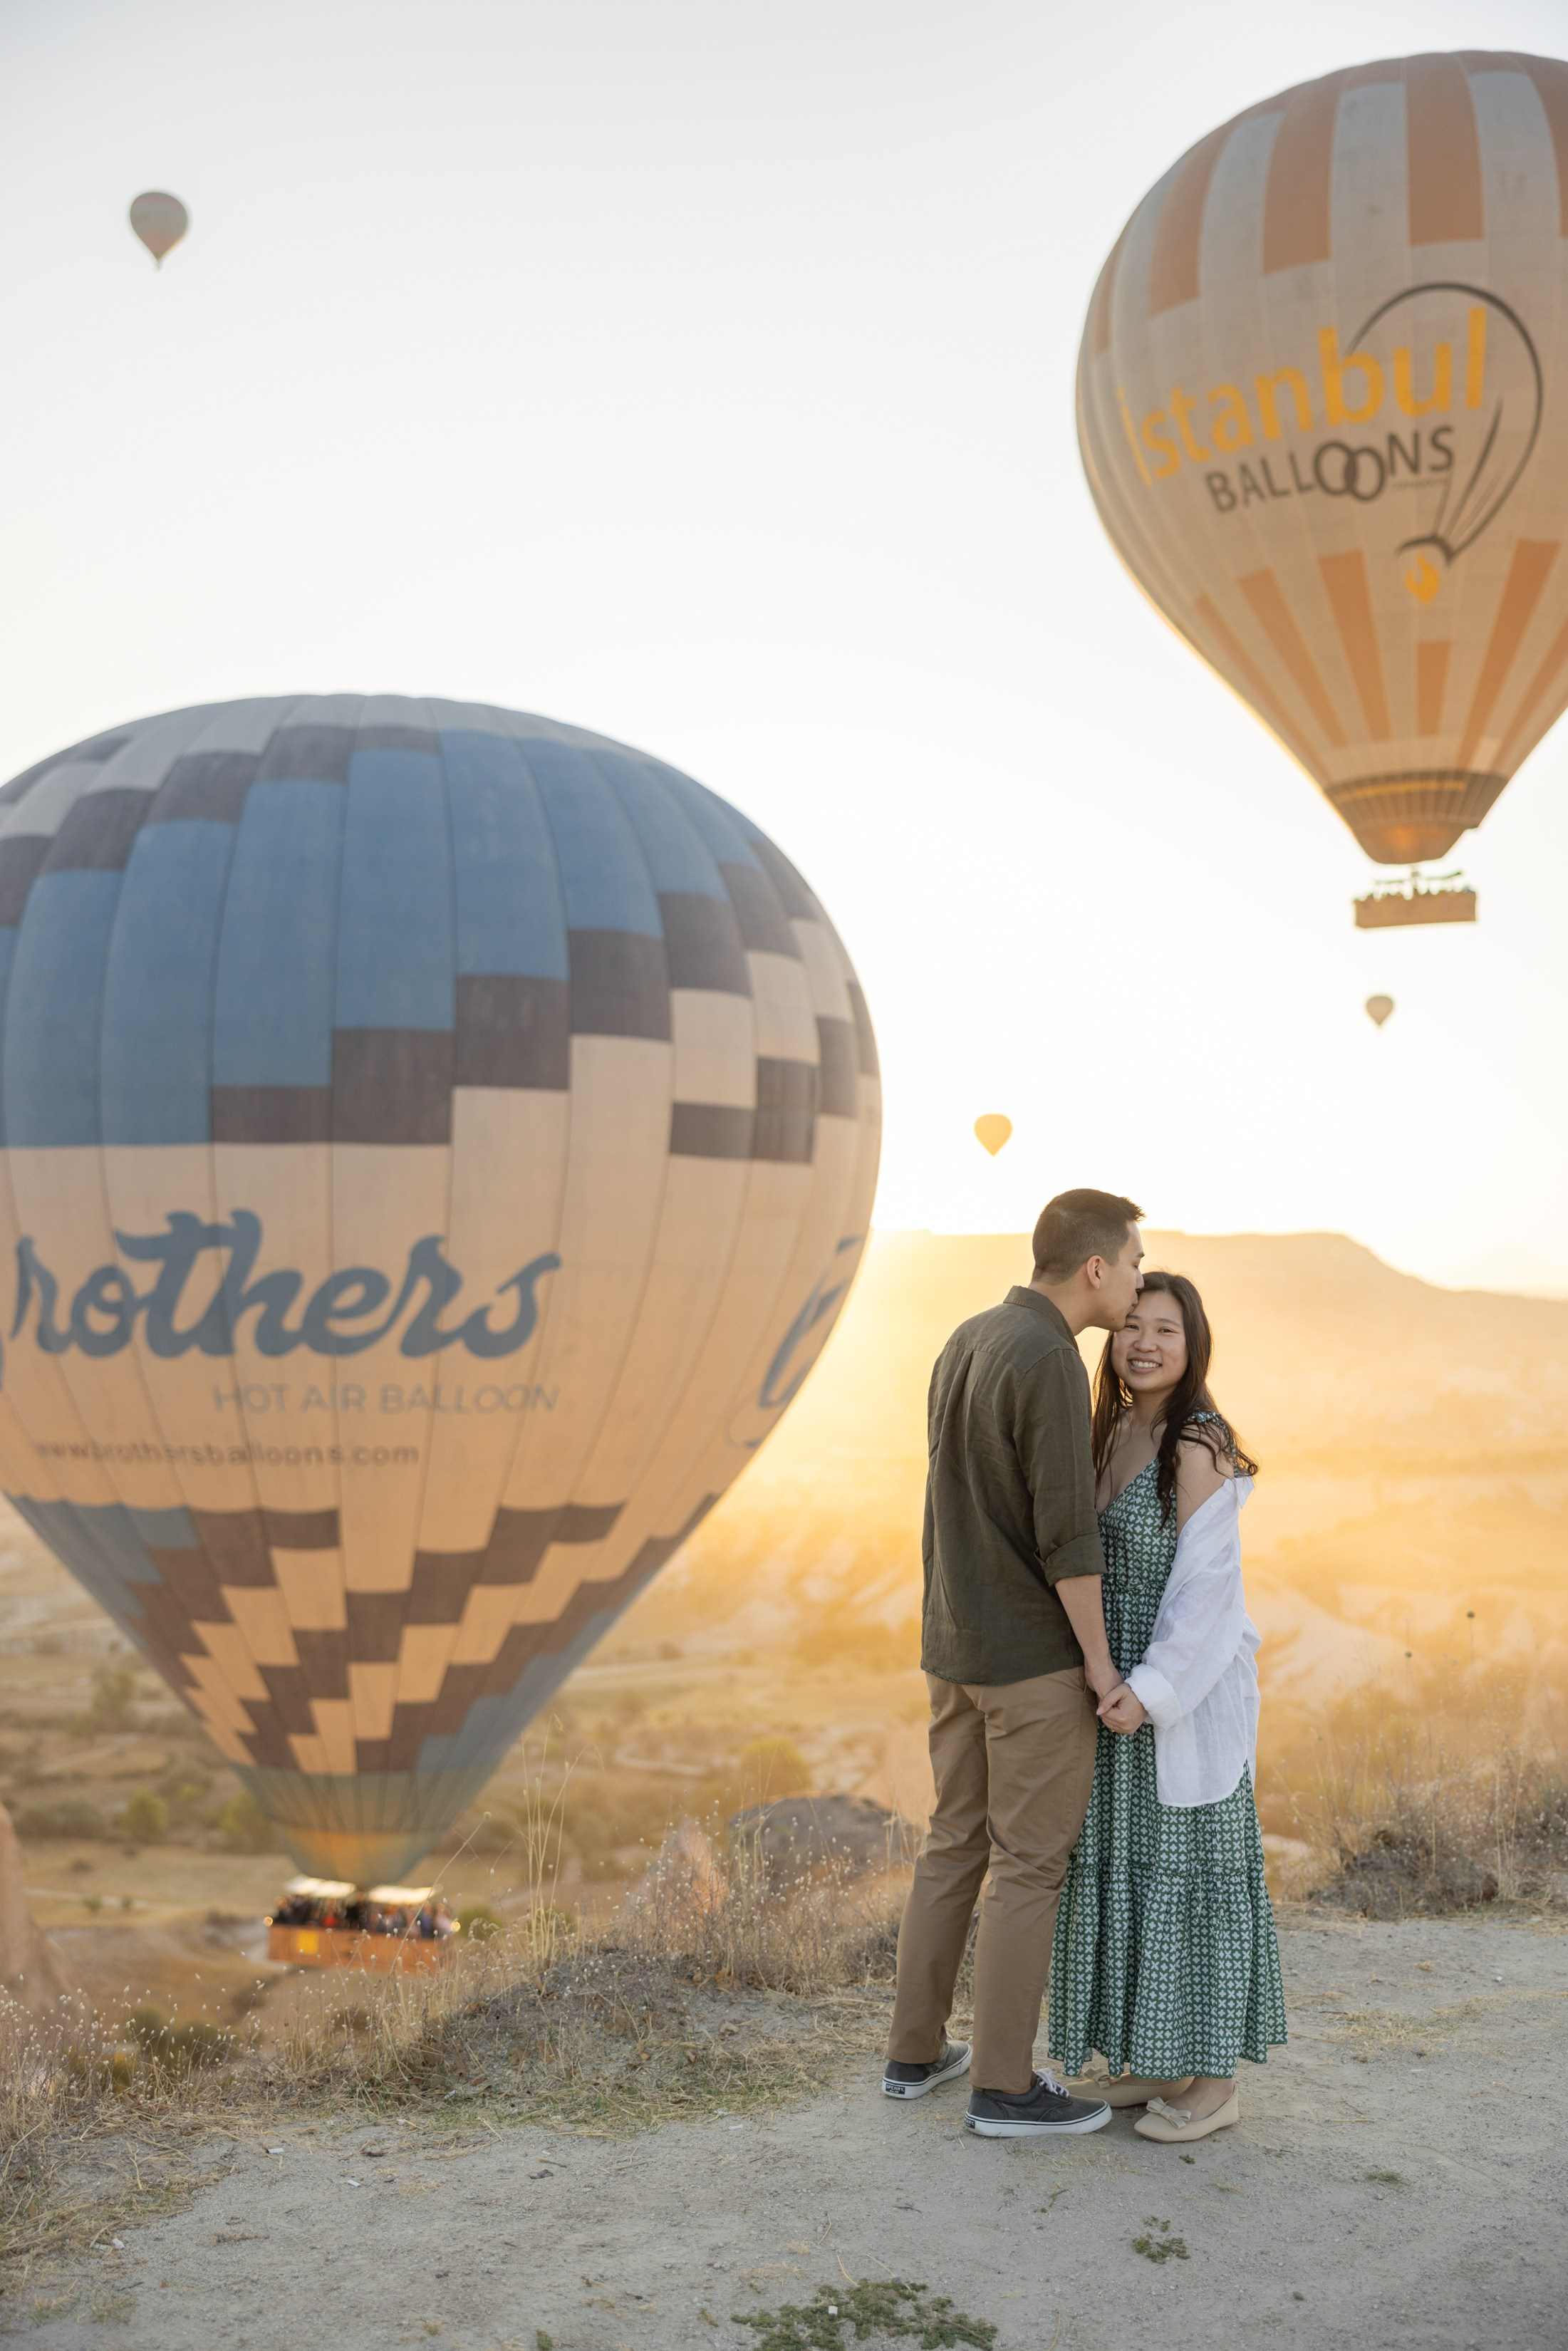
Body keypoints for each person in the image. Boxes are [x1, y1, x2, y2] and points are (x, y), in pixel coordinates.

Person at [881, 1188, 1146, 2138]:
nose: (1139, 1282)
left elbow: (947, 1502)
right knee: (1029, 1868)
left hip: (953, 1646)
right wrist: (1102, 1669)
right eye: (1134, 1264)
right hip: (1028, 1661)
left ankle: (913, 2055)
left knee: (953, 1842)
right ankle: (1002, 2087)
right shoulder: (1046, 1358)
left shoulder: (968, 1337)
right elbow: (1066, 1538)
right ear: (1094, 1268)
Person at [1047, 1272, 1287, 2144]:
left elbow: (1208, 1596)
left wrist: (1146, 1692)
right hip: (1112, 1696)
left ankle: (1214, 2085)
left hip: (1178, 1699)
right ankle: (1153, 2061)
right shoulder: (1108, 1430)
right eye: (1131, 1327)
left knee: (1196, 1879)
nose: (1143, 1344)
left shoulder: (1197, 1443)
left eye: (1165, 1331)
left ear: (1193, 1348)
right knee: (1132, 1877)